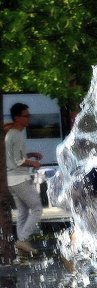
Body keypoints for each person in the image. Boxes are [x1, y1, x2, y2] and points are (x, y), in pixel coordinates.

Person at [6, 102, 44, 256]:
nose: (29, 118)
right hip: (19, 178)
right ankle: (22, 239)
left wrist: (31, 154)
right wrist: (33, 162)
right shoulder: (15, 134)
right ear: (17, 118)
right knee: (37, 209)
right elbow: (17, 161)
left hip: (12, 179)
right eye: (26, 116)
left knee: (23, 211)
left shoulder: (13, 134)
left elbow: (14, 158)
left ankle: (21, 246)